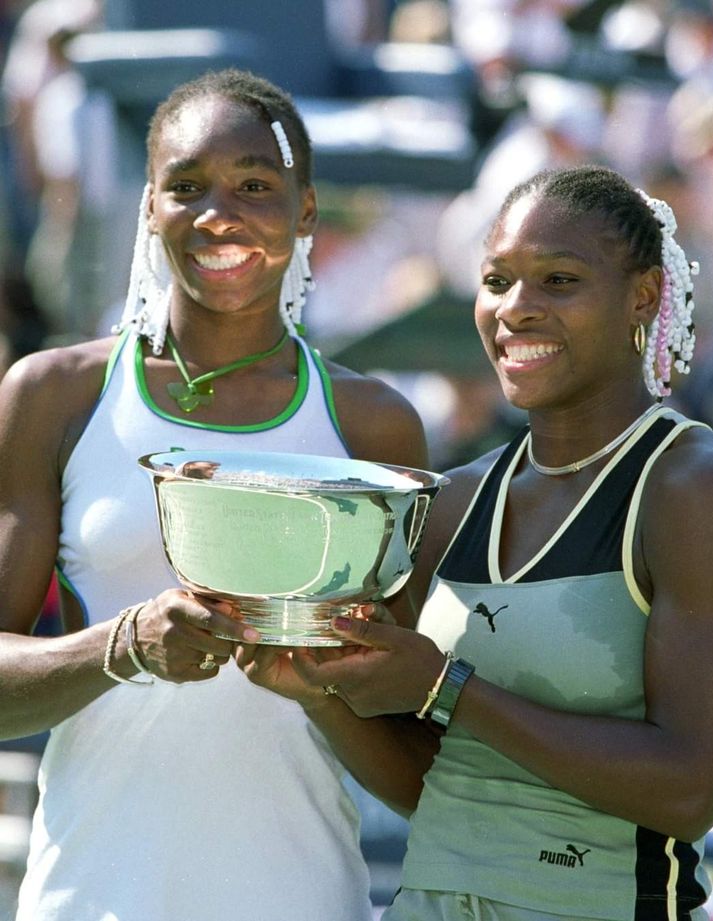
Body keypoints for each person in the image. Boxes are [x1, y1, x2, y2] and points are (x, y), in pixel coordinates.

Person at [239, 164, 713, 920]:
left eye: (558, 280)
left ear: (643, 296)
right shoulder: (455, 501)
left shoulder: (693, 488)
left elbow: (691, 790)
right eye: (497, 279)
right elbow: (433, 786)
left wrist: (448, 689)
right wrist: (320, 690)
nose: (516, 309)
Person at [0, 67, 428, 921]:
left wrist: (313, 681)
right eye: (185, 186)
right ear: (148, 208)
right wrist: (121, 645)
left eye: (256, 186)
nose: (218, 214)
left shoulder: (376, 425)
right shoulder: (54, 395)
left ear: (306, 211)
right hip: (89, 900)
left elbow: (419, 772)